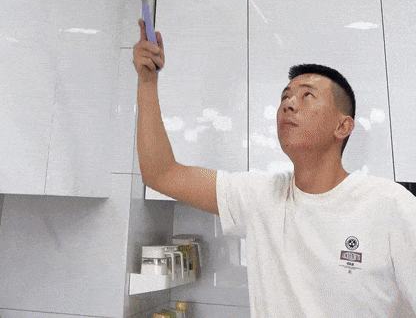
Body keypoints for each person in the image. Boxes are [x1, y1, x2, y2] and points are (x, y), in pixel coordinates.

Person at [133, 18, 416, 318]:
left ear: (342, 126)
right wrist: (147, 81)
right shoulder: (261, 195)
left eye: (307, 95)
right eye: (285, 96)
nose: (288, 104)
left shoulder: (391, 206)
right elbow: (161, 173)